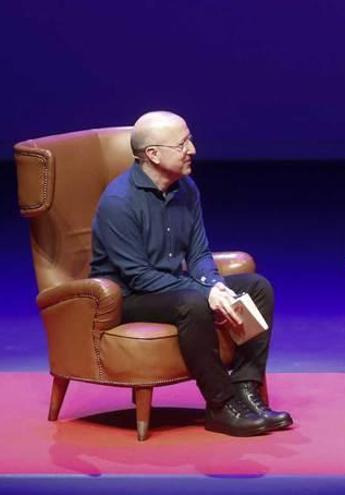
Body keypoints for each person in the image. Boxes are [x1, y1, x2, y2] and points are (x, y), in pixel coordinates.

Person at [90, 111, 293, 437]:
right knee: (194, 303)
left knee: (256, 288)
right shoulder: (119, 202)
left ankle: (245, 390)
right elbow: (138, 275)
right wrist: (204, 293)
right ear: (153, 155)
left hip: (173, 287)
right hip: (127, 296)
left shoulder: (187, 190)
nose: (193, 149)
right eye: (182, 143)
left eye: (190, 139)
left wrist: (214, 284)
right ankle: (220, 404)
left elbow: (198, 254)